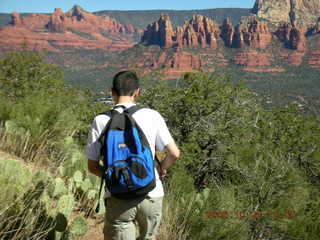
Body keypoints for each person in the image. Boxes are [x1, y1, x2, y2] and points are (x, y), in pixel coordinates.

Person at [86, 70, 180, 240]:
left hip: (118, 196)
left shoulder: (100, 121)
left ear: (112, 92)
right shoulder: (152, 116)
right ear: (138, 92)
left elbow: (92, 166)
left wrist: (113, 176)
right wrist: (161, 169)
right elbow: (174, 153)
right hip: (151, 192)